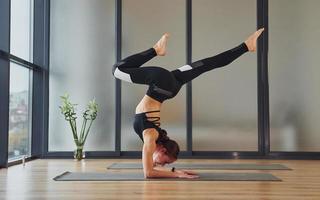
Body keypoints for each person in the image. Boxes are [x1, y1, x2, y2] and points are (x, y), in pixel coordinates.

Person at [112, 28, 265, 179]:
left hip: (171, 87)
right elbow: (149, 173)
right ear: (163, 151)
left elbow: (150, 170)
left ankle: (246, 46)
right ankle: (156, 49)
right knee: (117, 69)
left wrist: (173, 171)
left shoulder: (153, 137)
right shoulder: (151, 138)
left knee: (208, 64)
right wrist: (177, 174)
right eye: (165, 162)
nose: (163, 165)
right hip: (161, 84)